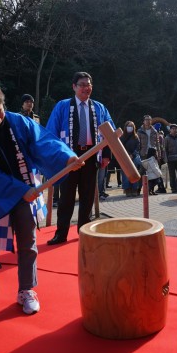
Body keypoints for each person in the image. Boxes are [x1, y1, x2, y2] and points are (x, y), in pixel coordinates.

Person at [0, 80, 82, 319]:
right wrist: (18, 190)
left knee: (28, 244)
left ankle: (26, 290)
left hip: (27, 188)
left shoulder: (18, 121)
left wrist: (67, 157)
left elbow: (44, 142)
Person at [46, 71, 115, 245]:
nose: (86, 88)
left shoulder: (99, 107)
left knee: (88, 196)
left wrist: (106, 154)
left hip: (92, 156)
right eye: (82, 84)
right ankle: (61, 233)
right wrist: (59, 158)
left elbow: (110, 133)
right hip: (69, 158)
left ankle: (84, 230)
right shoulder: (62, 106)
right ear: (74, 87)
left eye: (88, 84)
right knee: (66, 198)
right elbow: (51, 133)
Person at [120, 120, 141, 196]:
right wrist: (127, 154)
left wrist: (132, 154)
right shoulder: (122, 137)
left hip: (134, 157)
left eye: (131, 126)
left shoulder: (136, 137)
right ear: (125, 127)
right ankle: (127, 189)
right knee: (125, 173)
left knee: (134, 172)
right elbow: (121, 147)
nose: (130, 128)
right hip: (125, 157)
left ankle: (134, 188)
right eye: (129, 126)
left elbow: (138, 147)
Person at [164, 124, 177, 193]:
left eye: (175, 128)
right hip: (170, 159)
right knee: (172, 175)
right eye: (172, 128)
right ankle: (173, 188)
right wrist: (166, 159)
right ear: (170, 130)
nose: (174, 130)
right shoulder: (167, 138)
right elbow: (165, 149)